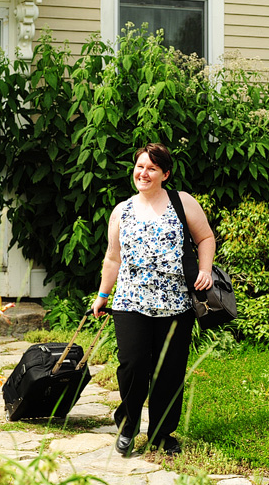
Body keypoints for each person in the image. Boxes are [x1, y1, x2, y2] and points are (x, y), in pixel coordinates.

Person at [91, 143, 215, 457]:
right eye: (140, 166)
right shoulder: (122, 210)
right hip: (131, 303)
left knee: (169, 372)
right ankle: (128, 425)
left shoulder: (182, 202)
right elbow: (113, 258)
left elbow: (206, 238)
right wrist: (103, 295)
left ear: (165, 174)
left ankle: (161, 434)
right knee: (132, 367)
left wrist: (205, 270)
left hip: (176, 305)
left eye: (151, 168)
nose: (143, 173)